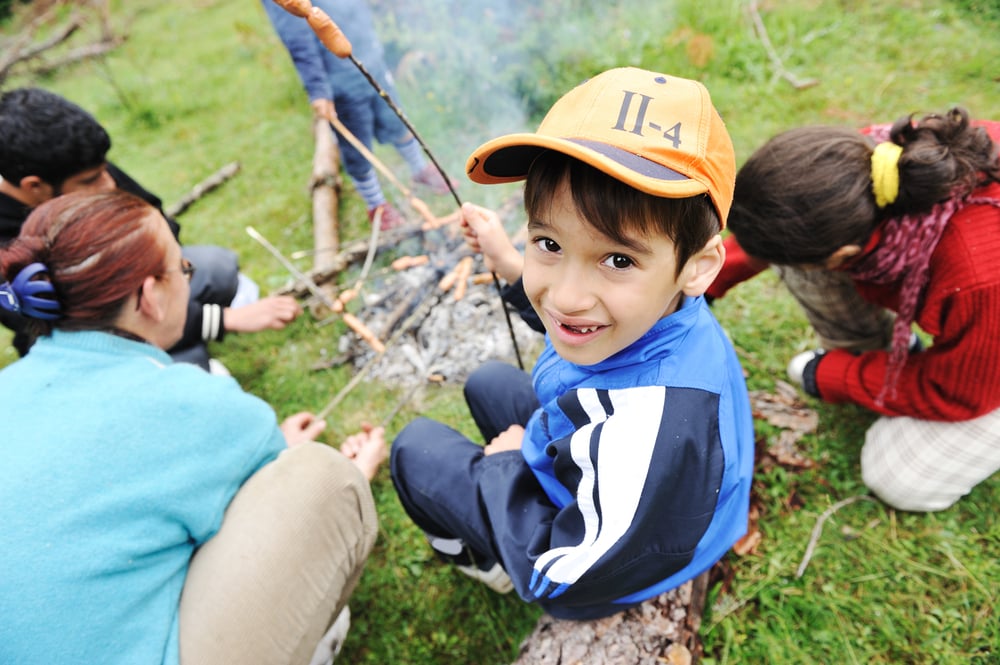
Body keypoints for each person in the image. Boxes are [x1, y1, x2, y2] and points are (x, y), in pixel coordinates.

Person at [389, 67, 755, 620]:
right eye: (549, 242)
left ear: (698, 266)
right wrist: (511, 264)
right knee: (488, 382)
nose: (565, 295)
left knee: (414, 450)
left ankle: (486, 563)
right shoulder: (668, 313)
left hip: (606, 569)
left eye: (618, 259)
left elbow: (561, 574)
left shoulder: (651, 432)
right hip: (638, 499)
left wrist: (507, 467)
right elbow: (587, 320)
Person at [0, 190, 387, 665]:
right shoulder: (196, 405)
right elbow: (268, 505)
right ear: (150, 296)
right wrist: (349, 477)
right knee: (322, 479)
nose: (189, 275)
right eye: (183, 268)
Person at [710, 107, 1000, 512]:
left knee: (899, 476)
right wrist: (702, 284)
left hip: (982, 360)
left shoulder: (977, 277)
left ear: (845, 254)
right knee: (796, 260)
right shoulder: (870, 164)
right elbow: (776, 225)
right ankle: (896, 370)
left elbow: (962, 393)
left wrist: (836, 376)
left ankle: (899, 383)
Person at [0, 86, 301, 370]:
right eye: (93, 179)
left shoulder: (73, 168)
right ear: (34, 186)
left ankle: (188, 322)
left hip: (143, 292)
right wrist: (222, 320)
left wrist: (167, 268)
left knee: (216, 267)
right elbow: (87, 317)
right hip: (86, 336)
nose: (111, 185)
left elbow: (154, 217)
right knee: (187, 369)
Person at [261, 0, 454, 230]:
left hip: (369, 55)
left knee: (396, 120)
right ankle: (376, 205)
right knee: (356, 145)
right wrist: (318, 90)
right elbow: (296, 37)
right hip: (339, 77)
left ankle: (420, 169)